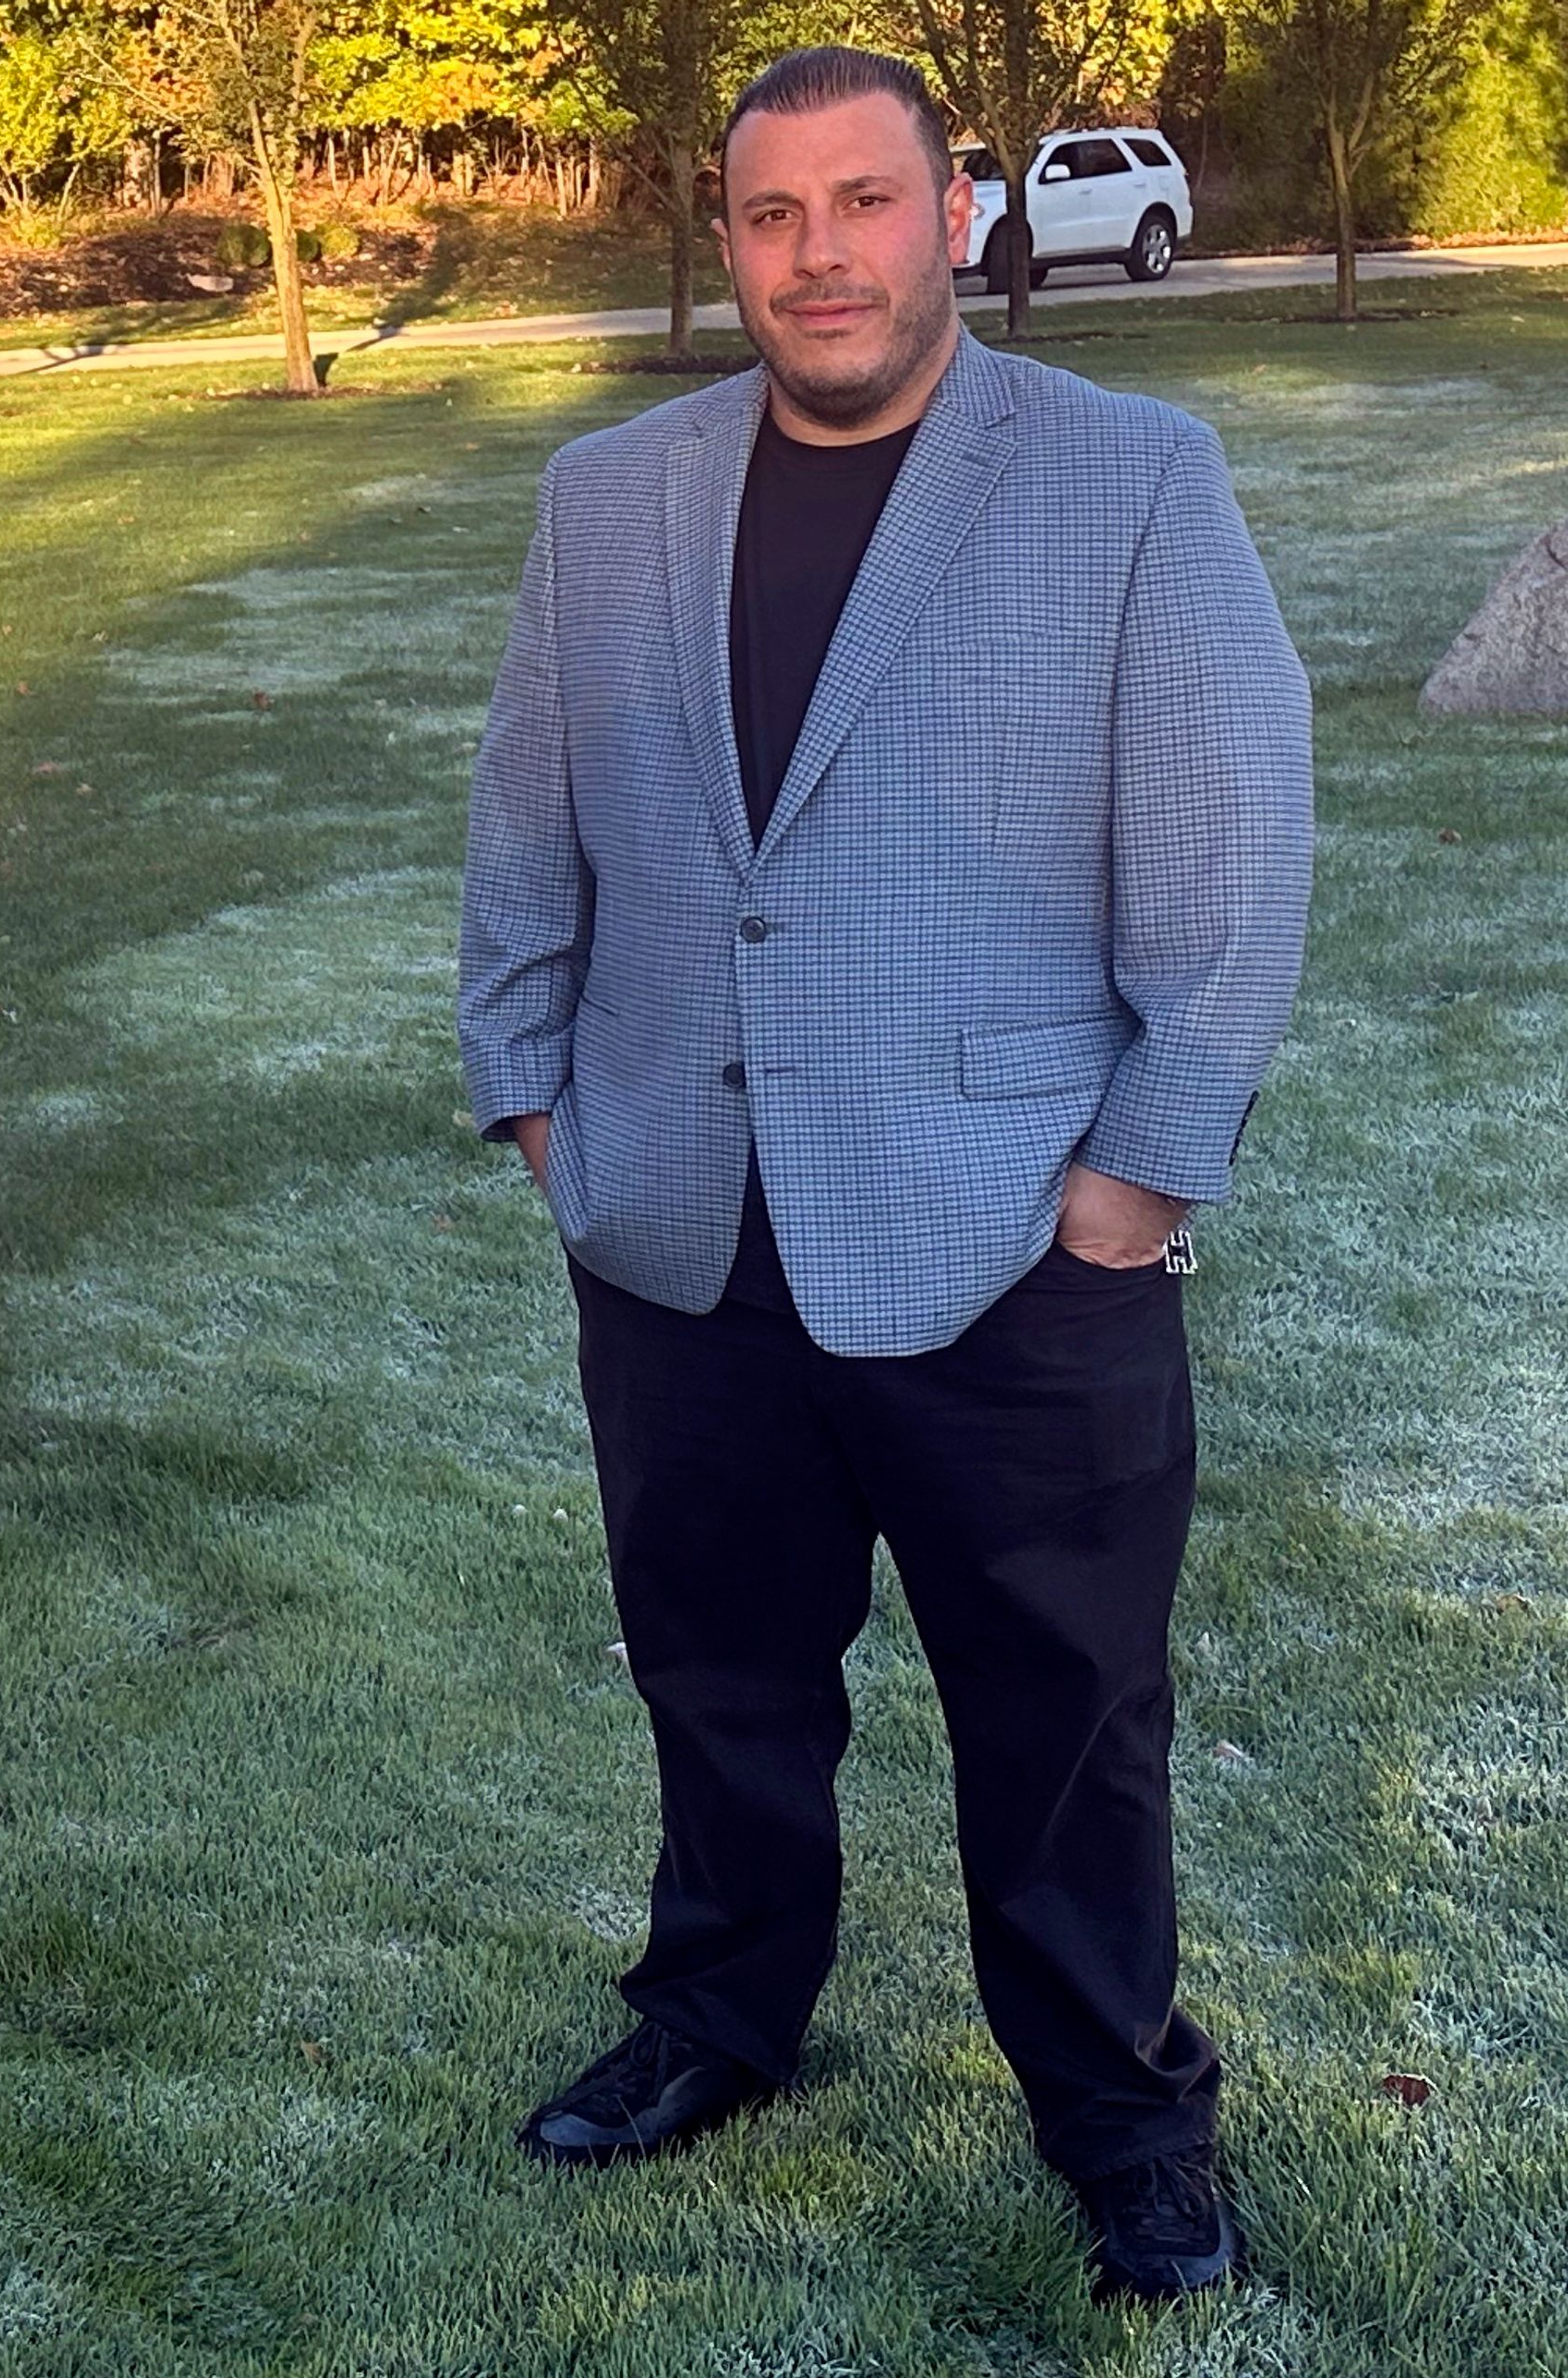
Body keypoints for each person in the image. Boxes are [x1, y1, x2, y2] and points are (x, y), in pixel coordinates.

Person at [453, 45, 1313, 2302]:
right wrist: (543, 1111)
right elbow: (522, 838)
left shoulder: (1132, 482)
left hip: (1021, 1244)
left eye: (862, 201)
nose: (817, 252)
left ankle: (1126, 2118)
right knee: (718, 1678)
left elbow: (1231, 878)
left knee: (1067, 1717)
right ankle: (716, 2017)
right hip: (678, 1226)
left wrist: (1130, 1189)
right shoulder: (607, 500)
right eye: (769, 213)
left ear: (956, 212)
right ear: (723, 236)